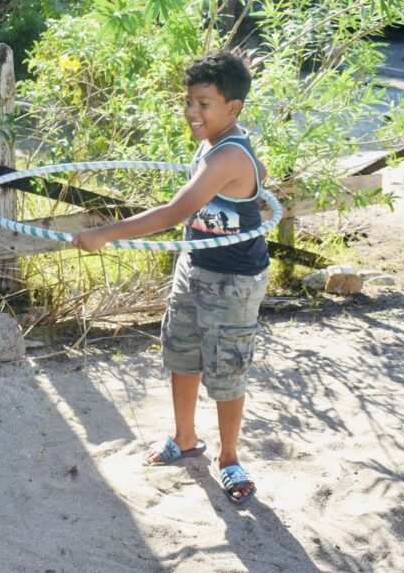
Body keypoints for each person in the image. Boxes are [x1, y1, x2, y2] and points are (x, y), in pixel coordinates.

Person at [73, 51, 269, 505]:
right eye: (189, 102)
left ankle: (229, 457)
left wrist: (105, 234)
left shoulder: (228, 154)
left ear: (233, 109)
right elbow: (256, 176)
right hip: (194, 266)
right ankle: (184, 438)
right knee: (181, 353)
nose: (192, 113)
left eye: (204, 104)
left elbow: (176, 211)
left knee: (226, 368)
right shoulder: (216, 141)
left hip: (233, 279)